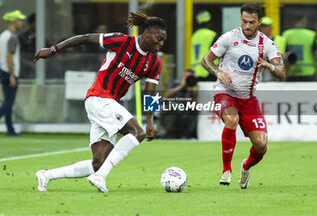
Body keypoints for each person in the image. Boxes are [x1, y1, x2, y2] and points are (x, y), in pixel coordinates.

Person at [34, 11, 167, 193]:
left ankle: (47, 175)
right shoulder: (122, 41)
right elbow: (85, 38)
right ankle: (100, 177)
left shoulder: (154, 62)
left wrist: (151, 120)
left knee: (99, 162)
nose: (161, 44)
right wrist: (53, 49)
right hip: (99, 97)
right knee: (138, 133)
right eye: (159, 39)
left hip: (109, 103)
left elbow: (150, 92)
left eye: (163, 40)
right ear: (147, 34)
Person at [201, 3, 285, 188]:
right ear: (241, 19)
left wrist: (270, 66)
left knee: (261, 145)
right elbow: (206, 60)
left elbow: (282, 73)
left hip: (247, 98)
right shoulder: (229, 38)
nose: (247, 26)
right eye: (244, 21)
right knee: (231, 119)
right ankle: (226, 170)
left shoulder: (267, 44)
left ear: (259, 22)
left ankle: (245, 167)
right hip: (224, 92)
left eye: (252, 22)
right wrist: (218, 72)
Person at [0, 10, 26, 136]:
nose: (22, 22)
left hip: (2, 70)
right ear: (14, 21)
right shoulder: (12, 37)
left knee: (7, 102)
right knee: (8, 103)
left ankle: (10, 129)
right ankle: (10, 129)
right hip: (10, 72)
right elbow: (9, 56)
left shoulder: (3, 35)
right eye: (20, 20)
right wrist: (12, 75)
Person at [282, 15, 317, 81]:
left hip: (291, 73)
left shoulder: (286, 34)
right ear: (304, 20)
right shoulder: (311, 34)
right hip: (309, 73)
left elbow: (283, 55)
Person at [159, 69, 198, 138]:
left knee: (194, 110)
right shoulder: (175, 83)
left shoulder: (193, 87)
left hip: (185, 109)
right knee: (173, 105)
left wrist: (192, 92)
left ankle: (186, 134)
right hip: (172, 107)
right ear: (183, 77)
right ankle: (167, 132)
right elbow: (165, 97)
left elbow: (195, 104)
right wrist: (181, 86)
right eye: (187, 77)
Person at [259, 17, 296, 81]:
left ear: (271, 27)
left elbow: (288, 58)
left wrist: (284, 75)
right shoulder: (255, 40)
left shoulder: (281, 40)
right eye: (262, 27)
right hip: (261, 71)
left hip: (277, 70)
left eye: (267, 26)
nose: (264, 29)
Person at [191, 10, 218, 81]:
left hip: (196, 71)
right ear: (210, 21)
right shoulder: (211, 34)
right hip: (210, 71)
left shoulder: (194, 35)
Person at [18, 13, 36, 78]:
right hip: (24, 72)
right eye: (35, 23)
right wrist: (30, 64)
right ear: (30, 24)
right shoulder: (22, 38)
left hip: (37, 71)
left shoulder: (41, 39)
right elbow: (18, 55)